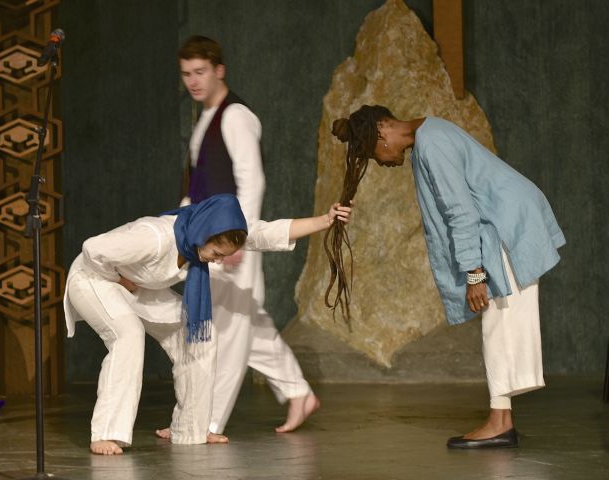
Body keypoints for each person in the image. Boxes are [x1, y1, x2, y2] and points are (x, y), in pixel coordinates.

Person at [332, 105, 565, 449]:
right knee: (498, 323)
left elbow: (461, 210)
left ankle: (500, 424)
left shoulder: (432, 143)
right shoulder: (428, 136)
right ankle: (500, 420)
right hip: (502, 223)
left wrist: (474, 274)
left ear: (383, 130)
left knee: (500, 323)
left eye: (373, 152)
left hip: (503, 225)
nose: (381, 161)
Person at [63, 194, 351, 455]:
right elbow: (93, 249)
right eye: (216, 254)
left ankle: (191, 429)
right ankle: (106, 433)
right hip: (94, 279)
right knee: (129, 334)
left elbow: (263, 234)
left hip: (136, 286)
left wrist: (325, 220)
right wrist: (120, 279)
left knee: (200, 336)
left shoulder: (210, 232)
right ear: (203, 235)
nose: (217, 261)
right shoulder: (154, 236)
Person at [165, 35, 318, 441]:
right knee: (245, 323)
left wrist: (238, 237)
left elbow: (252, 179)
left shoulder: (235, 116)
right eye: (186, 74)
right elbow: (199, 186)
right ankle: (297, 391)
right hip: (212, 239)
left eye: (200, 72)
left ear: (219, 71)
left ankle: (206, 422)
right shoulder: (206, 120)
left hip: (231, 241)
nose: (193, 81)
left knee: (227, 333)